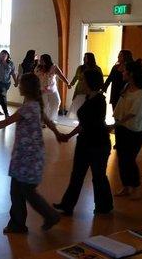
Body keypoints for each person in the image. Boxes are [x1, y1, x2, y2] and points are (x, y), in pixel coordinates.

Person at [0, 73, 61, 234]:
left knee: (26, 192)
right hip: (27, 156)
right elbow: (48, 121)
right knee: (18, 191)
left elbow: (5, 122)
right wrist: (58, 134)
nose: (18, 85)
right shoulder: (35, 105)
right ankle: (18, 223)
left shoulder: (28, 107)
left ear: (27, 88)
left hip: (27, 158)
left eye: (21, 84)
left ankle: (49, 215)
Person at [52, 69, 113, 215]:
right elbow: (83, 124)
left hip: (98, 144)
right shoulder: (88, 98)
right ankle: (67, 205)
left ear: (90, 82)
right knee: (77, 175)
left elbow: (91, 124)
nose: (82, 83)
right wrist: (69, 135)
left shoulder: (99, 100)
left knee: (98, 176)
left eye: (84, 80)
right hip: (85, 142)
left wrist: (69, 135)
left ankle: (104, 206)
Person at [112, 60, 142, 198]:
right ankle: (126, 186)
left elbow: (133, 113)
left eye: (125, 70)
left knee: (130, 159)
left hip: (135, 130)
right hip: (122, 127)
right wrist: (116, 121)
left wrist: (116, 124)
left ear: (131, 73)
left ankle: (135, 187)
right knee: (122, 158)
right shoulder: (127, 86)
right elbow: (120, 106)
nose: (122, 72)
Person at [35, 54, 69, 123]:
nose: (40, 61)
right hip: (42, 90)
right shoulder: (38, 68)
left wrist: (67, 83)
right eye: (40, 59)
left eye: (42, 59)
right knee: (44, 105)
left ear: (46, 60)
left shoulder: (54, 67)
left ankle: (51, 119)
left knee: (56, 102)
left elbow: (61, 75)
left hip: (52, 89)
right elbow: (34, 77)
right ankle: (43, 121)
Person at [68, 53, 103, 119]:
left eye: (86, 57)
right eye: (84, 57)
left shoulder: (97, 68)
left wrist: (101, 90)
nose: (84, 58)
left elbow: (100, 80)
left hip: (90, 91)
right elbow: (76, 77)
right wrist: (71, 84)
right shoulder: (80, 68)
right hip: (80, 90)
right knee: (79, 108)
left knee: (88, 109)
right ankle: (80, 123)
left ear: (90, 59)